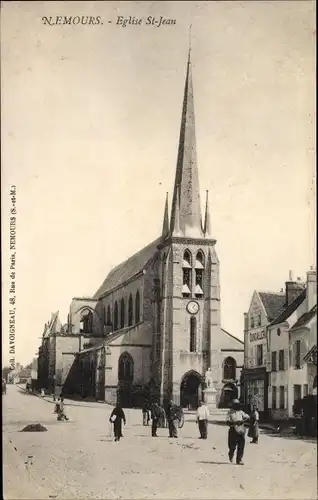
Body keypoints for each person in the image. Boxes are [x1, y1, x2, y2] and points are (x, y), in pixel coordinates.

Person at [226, 399, 250, 465]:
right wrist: (234, 423)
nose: (236, 406)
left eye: (237, 404)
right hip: (233, 430)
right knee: (232, 446)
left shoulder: (241, 412)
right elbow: (227, 421)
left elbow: (247, 417)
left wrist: (243, 421)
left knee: (241, 445)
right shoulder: (230, 412)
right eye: (235, 404)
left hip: (241, 430)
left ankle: (239, 460)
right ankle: (231, 454)